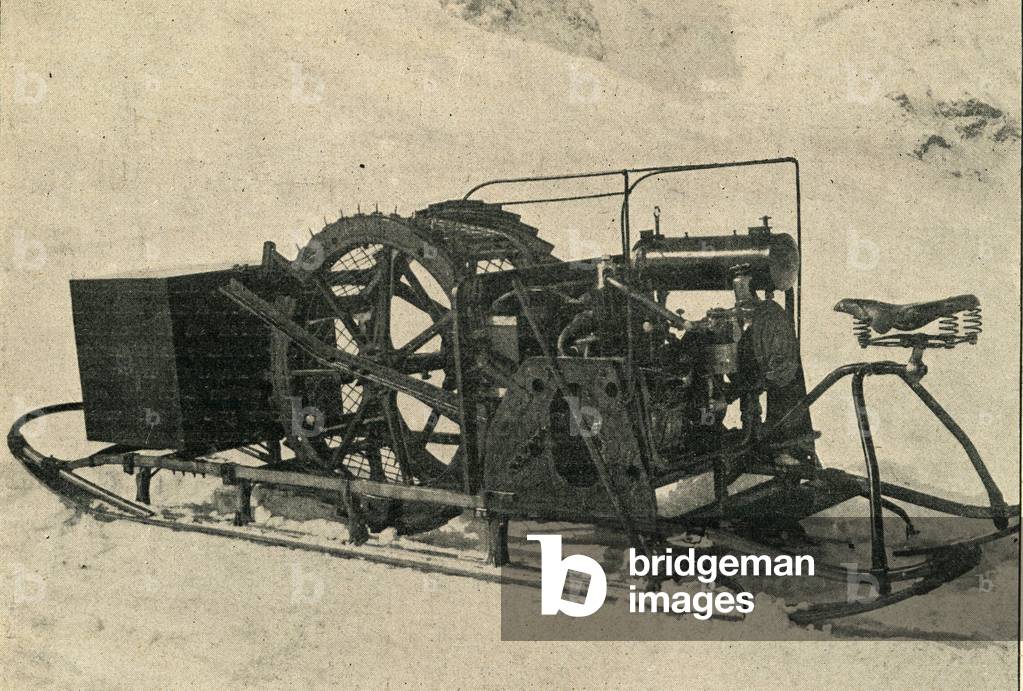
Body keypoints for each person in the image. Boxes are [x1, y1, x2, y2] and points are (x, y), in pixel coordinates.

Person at [726, 264, 816, 466]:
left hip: (776, 372)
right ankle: (782, 444)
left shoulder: (769, 317)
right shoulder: (761, 316)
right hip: (764, 360)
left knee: (783, 375)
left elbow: (780, 369)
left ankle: (786, 445)